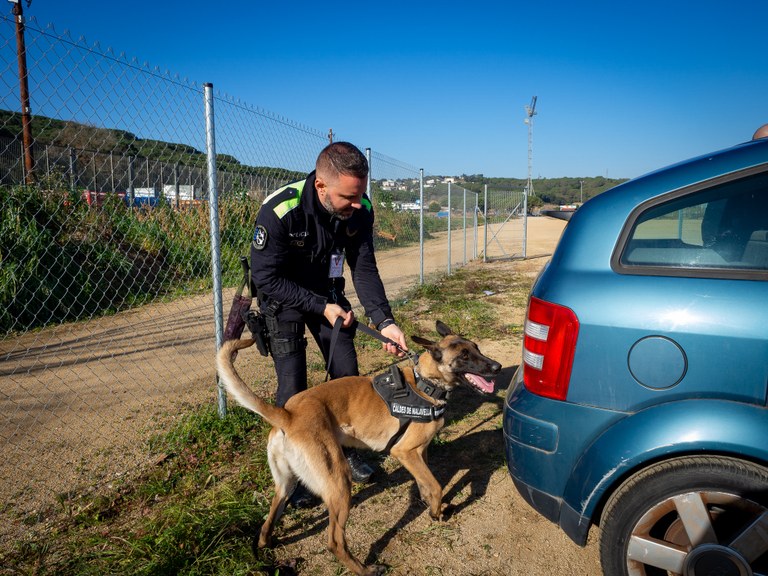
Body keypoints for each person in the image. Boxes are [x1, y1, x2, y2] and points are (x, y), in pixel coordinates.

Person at [249, 141, 407, 492]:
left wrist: (385, 322)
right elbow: (266, 279)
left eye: (360, 195)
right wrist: (318, 306)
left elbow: (364, 269)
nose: (357, 204)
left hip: (329, 295)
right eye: (347, 197)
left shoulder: (360, 208)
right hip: (284, 297)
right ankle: (299, 471)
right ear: (321, 186)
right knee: (293, 386)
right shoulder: (281, 210)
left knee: (347, 376)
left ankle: (346, 449)